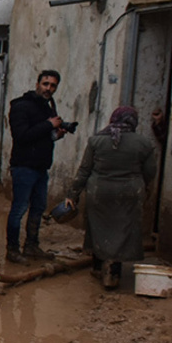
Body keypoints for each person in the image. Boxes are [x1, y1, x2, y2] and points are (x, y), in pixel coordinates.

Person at [65, 106, 157, 289]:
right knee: (123, 230)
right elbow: (150, 172)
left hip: (99, 191)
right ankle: (114, 272)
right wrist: (143, 188)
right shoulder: (144, 143)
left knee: (99, 228)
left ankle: (98, 268)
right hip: (129, 192)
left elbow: (84, 170)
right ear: (133, 121)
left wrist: (72, 195)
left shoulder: (96, 141)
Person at [5, 69, 68, 263]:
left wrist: (55, 135)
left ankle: (32, 245)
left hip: (41, 167)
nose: (49, 88)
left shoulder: (47, 108)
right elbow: (22, 136)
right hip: (24, 167)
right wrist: (48, 125)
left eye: (53, 85)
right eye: (46, 84)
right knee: (19, 208)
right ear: (37, 84)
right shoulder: (21, 106)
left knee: (38, 207)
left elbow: (39, 137)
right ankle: (12, 250)